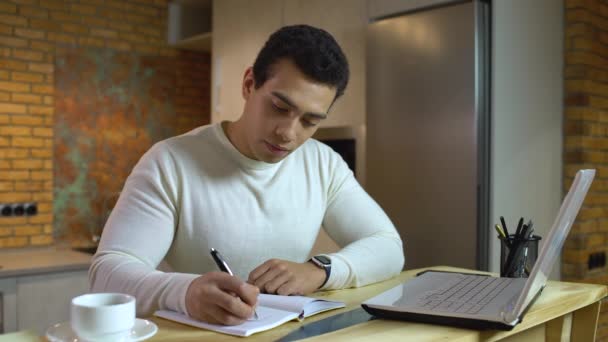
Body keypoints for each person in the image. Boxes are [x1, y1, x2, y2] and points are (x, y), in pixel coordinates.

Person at [89, 24, 404, 326]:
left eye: (310, 121)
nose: (288, 133)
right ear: (249, 84)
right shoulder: (170, 162)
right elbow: (107, 273)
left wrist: (321, 270)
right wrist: (184, 293)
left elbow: (388, 247)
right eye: (279, 107)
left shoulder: (322, 164)